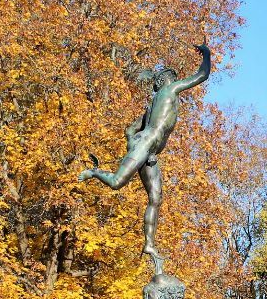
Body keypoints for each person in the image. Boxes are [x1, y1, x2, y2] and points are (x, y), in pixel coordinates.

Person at [79, 45, 211, 275]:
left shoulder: (151, 107)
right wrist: (206, 53)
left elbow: (129, 129)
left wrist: (134, 140)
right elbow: (202, 75)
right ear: (164, 80)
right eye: (171, 76)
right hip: (146, 144)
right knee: (117, 182)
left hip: (150, 151)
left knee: (156, 197)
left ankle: (149, 243)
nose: (175, 79)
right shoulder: (170, 90)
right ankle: (94, 172)